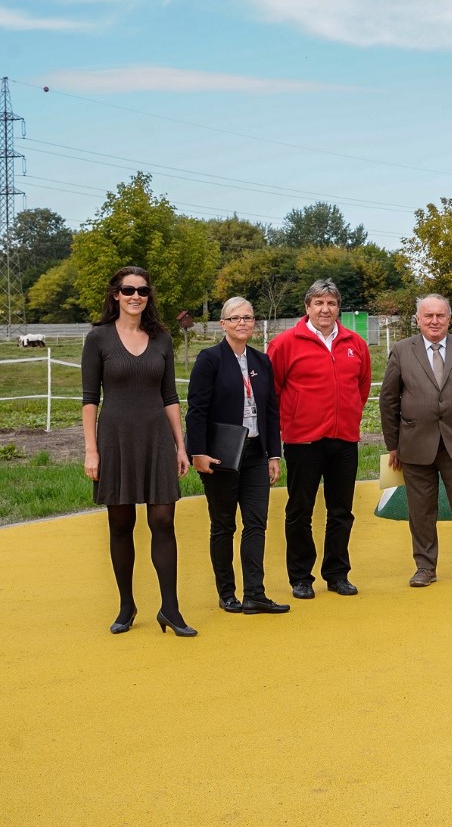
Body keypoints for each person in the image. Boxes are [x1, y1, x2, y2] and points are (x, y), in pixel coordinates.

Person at [81, 266, 195, 637]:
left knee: (163, 521)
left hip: (157, 440)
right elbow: (88, 400)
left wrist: (181, 446)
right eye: (128, 290)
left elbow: (170, 397)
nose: (135, 296)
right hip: (114, 441)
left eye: (142, 290)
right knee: (121, 525)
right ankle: (127, 605)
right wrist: (91, 450)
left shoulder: (162, 339)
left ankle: (171, 609)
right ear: (115, 294)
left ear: (149, 295)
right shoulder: (97, 338)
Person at [380, 294, 452, 588]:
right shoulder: (401, 350)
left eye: (440, 316)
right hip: (414, 444)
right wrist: (393, 445)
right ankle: (424, 566)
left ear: (449, 318)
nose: (434, 321)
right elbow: (388, 400)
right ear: (418, 319)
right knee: (420, 510)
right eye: (428, 316)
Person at [268, 279, 371, 599]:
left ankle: (337, 573)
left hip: (344, 440)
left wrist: (348, 414)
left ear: (338, 308)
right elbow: (273, 391)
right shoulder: (285, 343)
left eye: (331, 303)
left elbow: (362, 387)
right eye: (318, 303)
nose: (325, 309)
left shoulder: (356, 342)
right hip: (303, 441)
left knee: (341, 511)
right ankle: (300, 576)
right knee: (300, 510)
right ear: (307, 307)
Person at [186, 297, 289, 616]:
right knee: (223, 526)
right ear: (223, 324)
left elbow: (271, 410)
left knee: (256, 523)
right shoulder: (210, 359)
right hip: (222, 458)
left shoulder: (261, 360)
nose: (243, 323)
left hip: (257, 454)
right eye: (235, 318)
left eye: (248, 317)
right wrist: (198, 452)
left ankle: (255, 593)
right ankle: (227, 592)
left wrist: (275, 454)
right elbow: (197, 410)